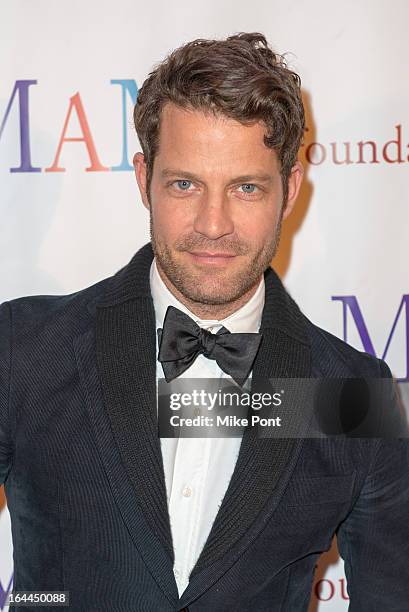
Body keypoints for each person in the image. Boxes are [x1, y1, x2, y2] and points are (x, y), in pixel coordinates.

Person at [0, 32, 408, 612]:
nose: (213, 224)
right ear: (144, 179)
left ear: (289, 190)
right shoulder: (21, 351)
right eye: (185, 184)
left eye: (245, 188)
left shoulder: (352, 396)